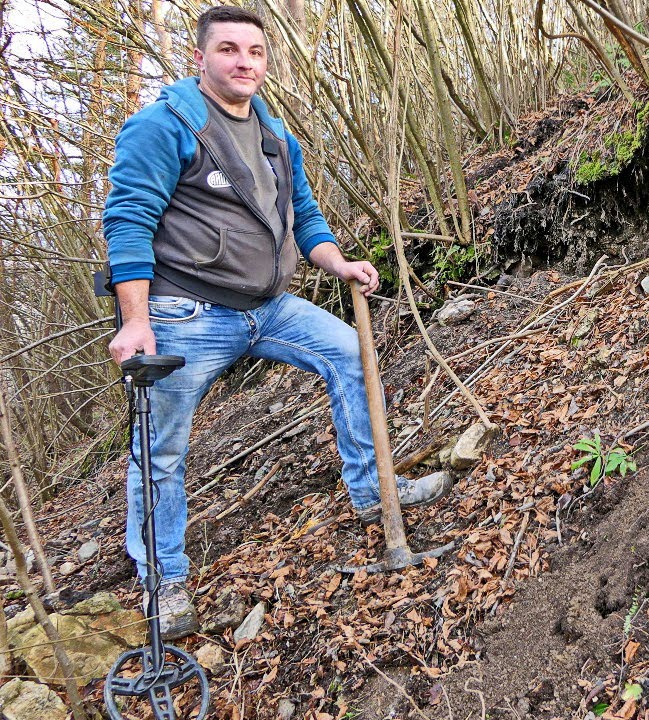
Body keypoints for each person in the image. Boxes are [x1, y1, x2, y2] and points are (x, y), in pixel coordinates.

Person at [103, 5, 450, 640]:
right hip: (186, 312)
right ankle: (164, 578)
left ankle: (374, 491)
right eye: (229, 49)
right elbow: (128, 221)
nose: (244, 62)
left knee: (349, 352)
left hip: (268, 306)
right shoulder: (162, 126)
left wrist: (338, 262)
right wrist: (134, 321)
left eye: (255, 51)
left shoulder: (273, 133)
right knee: (161, 448)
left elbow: (305, 216)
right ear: (200, 57)